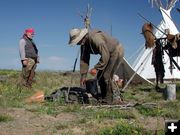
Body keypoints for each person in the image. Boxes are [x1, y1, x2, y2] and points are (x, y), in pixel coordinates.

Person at [68, 28, 124, 104]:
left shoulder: (95, 38)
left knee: (107, 76)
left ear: (82, 38)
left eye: (77, 42)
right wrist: (83, 77)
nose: (77, 44)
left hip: (116, 50)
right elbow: (84, 60)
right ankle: (105, 98)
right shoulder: (84, 45)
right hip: (107, 54)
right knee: (100, 77)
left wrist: (96, 68)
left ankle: (113, 99)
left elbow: (105, 54)